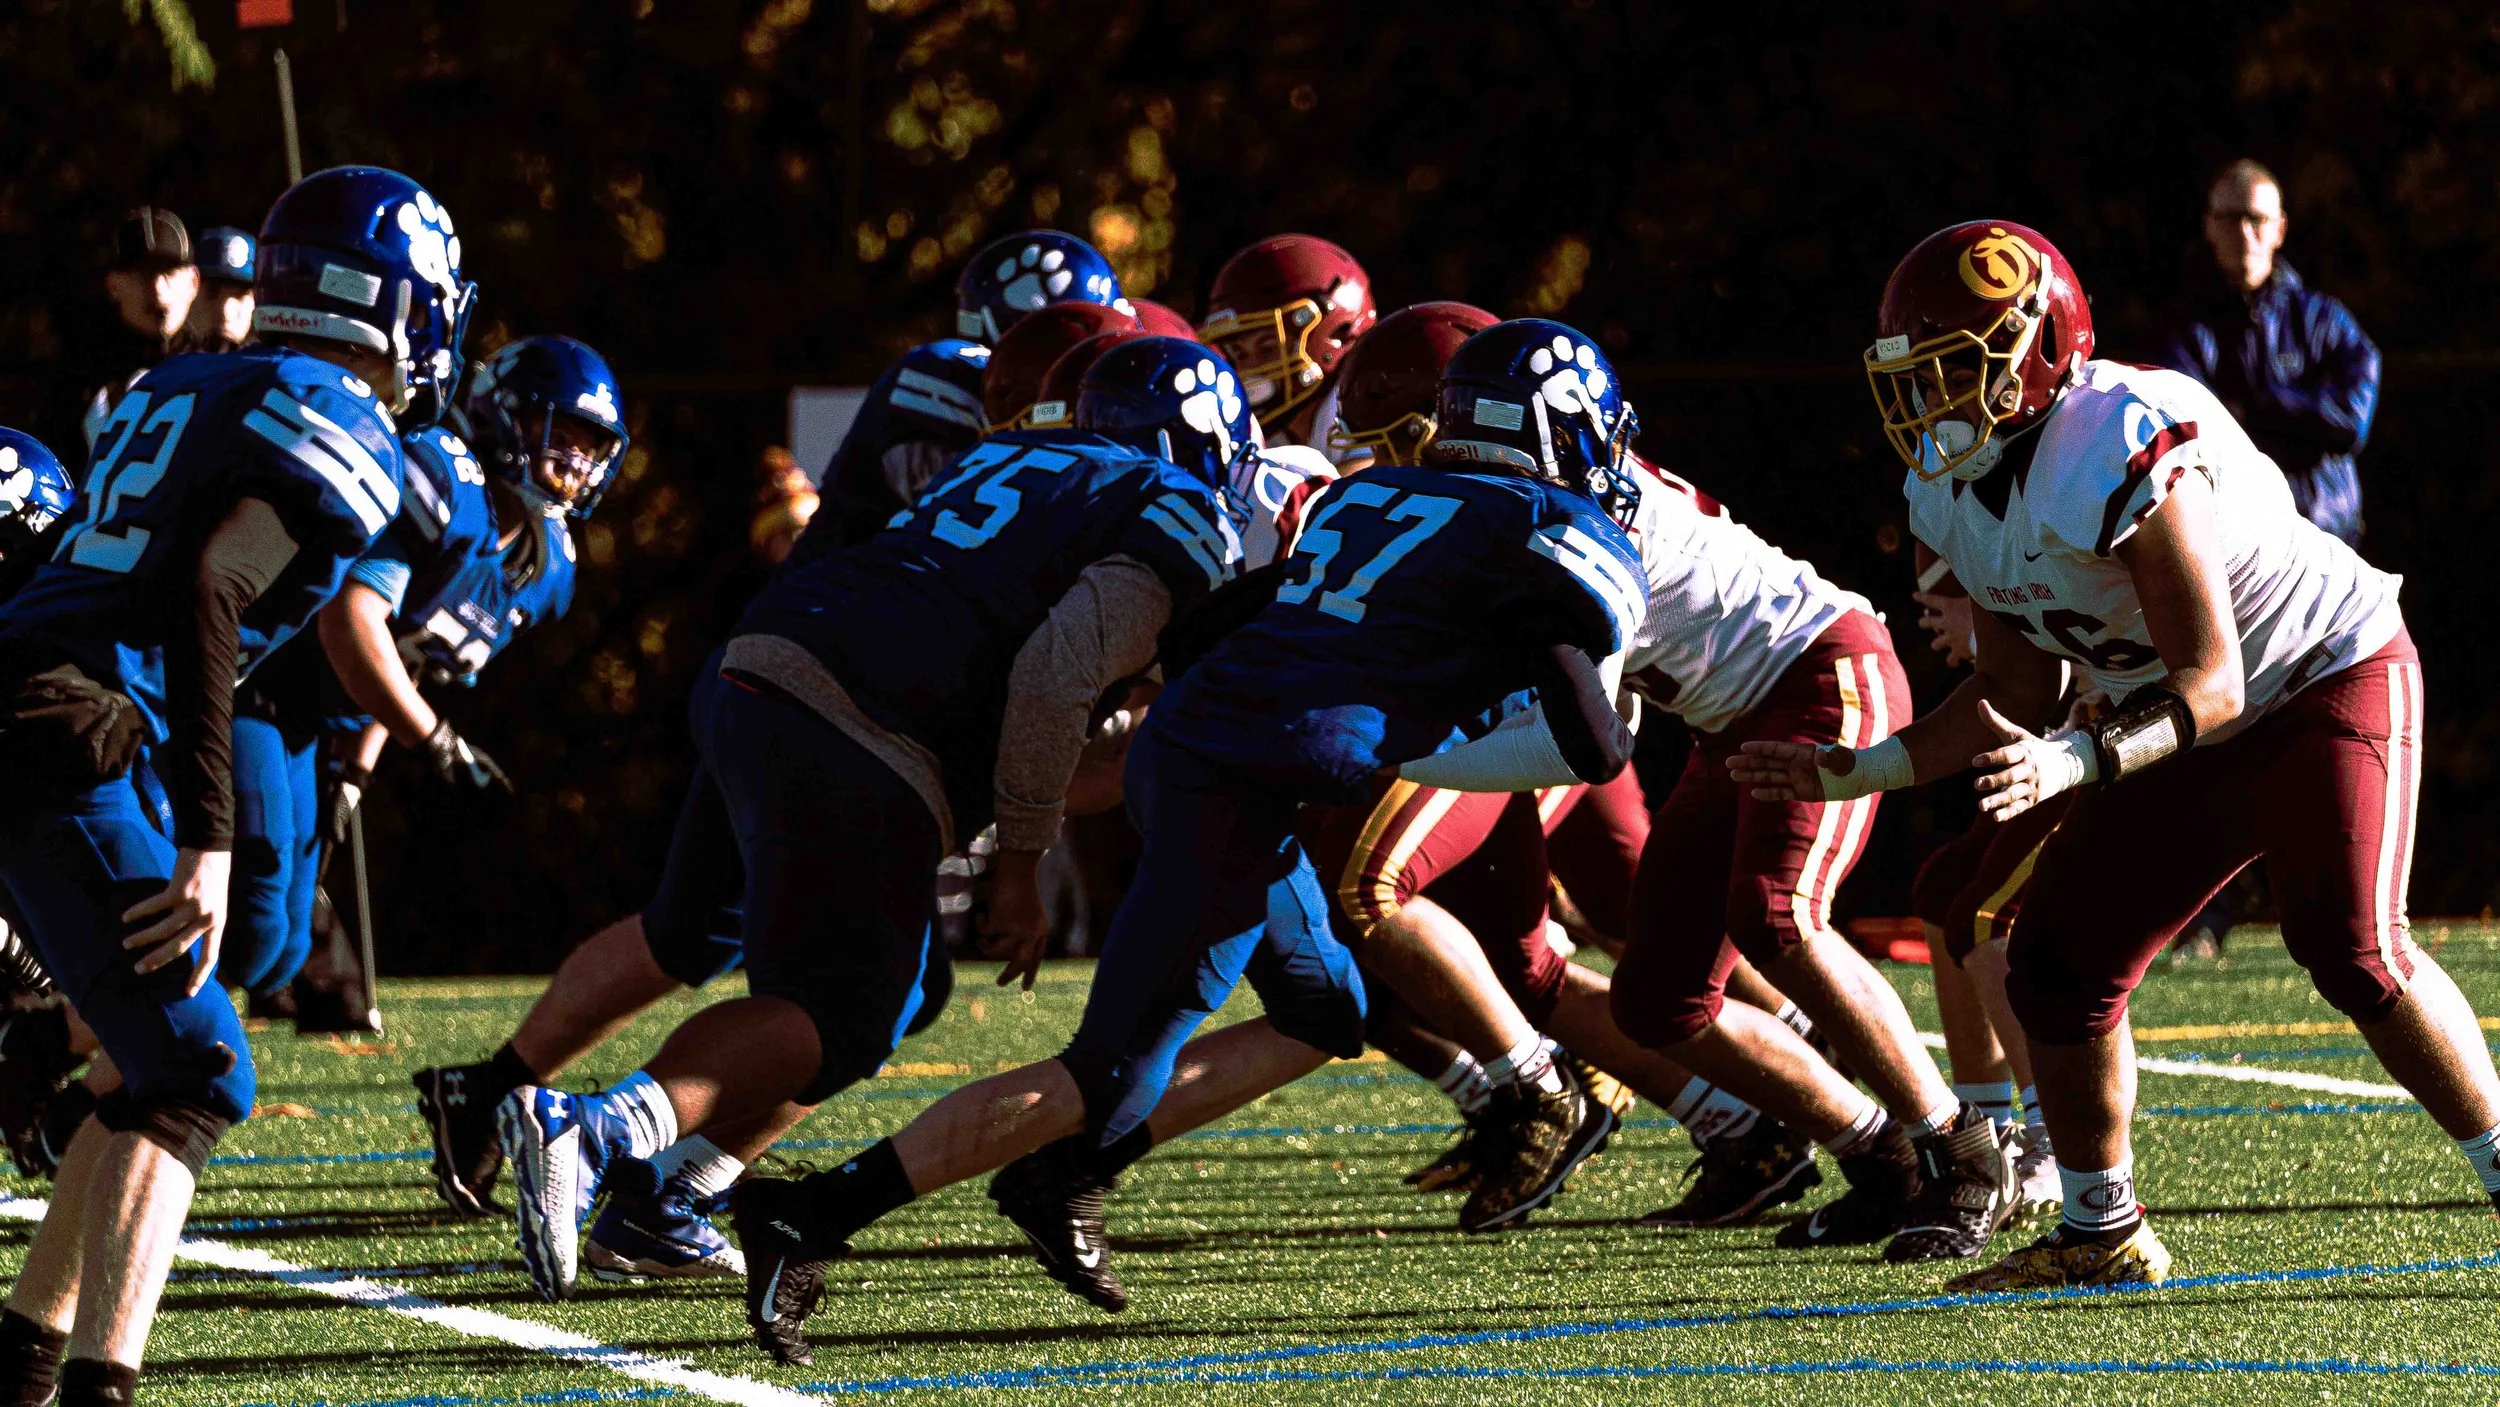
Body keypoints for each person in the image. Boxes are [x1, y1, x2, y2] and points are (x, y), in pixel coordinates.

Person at [722, 317, 1650, 1366]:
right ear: (1563, 430)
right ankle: (811, 1217)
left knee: (1327, 1005)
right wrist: (1454, 724)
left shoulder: (1375, 494)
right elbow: (1594, 747)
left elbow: (1239, 614)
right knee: (1106, 1070)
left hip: (1216, 755)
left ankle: (1059, 1175)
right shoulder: (1530, 531)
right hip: (1230, 783)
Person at [1746, 217, 2500, 1291]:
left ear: (2039, 352)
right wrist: (1868, 766)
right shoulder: (1950, 487)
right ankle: (2101, 1233)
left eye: (1959, 368)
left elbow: (2215, 679)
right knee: (2057, 965)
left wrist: (2071, 763)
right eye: (1917, 373)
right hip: (2175, 715)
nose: (1932, 399)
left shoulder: (2111, 436)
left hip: (2318, 675)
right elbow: (2016, 685)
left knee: (2350, 949)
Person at [490, 334, 1240, 1307]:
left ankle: (667, 1206)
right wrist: (1022, 856)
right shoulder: (1178, 507)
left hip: (765, 667)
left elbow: (1051, 702)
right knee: (846, 1009)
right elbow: (1053, 678)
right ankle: (598, 1130)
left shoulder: (1011, 456)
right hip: (858, 718)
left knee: (903, 988)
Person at [0, 165, 466, 1406]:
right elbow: (216, 591)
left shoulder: (189, 376)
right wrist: (209, 838)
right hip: (66, 721)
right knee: (201, 1069)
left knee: (155, 1051)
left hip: (37, 704)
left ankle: (24, 1359)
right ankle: (97, 1385)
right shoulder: (338, 416)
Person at [2160, 159, 2380, 548]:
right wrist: (2304, 418)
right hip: (2239, 551)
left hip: (2332, 540)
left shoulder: (2326, 322)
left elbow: (2350, 422)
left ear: (2279, 228)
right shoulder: (2184, 330)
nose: (2244, 233)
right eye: (2229, 218)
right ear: (2209, 226)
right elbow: (2191, 437)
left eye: (2256, 219)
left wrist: (2254, 409)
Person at [1198, 234, 1376, 464]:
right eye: (1239, 354)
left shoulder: (1362, 405)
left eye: (1268, 348)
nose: (1249, 368)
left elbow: (1359, 489)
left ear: (1337, 334)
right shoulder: (1272, 431)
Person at [42, 209, 198, 466]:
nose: (158, 290)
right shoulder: (79, 380)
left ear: (193, 282)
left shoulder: (222, 368)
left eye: (169, 272)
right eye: (142, 275)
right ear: (113, 285)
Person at [184, 227, 257, 355]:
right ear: (190, 288)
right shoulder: (160, 368)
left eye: (240, 296)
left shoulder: (270, 371)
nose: (225, 312)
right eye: (212, 293)